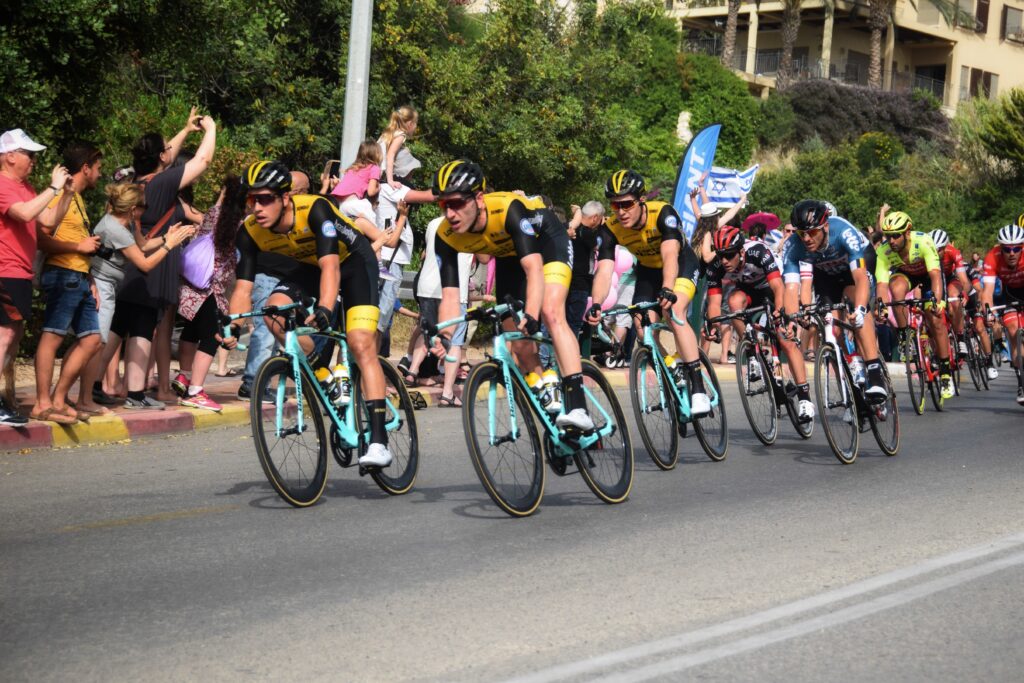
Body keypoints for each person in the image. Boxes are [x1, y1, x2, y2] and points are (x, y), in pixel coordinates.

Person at [224, 161, 394, 467]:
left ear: (285, 198)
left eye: (265, 199)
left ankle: (379, 440)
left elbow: (331, 266)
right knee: (273, 314)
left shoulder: (314, 210)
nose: (257, 207)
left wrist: (326, 309)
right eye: (252, 200)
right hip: (309, 268)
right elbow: (242, 290)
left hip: (353, 263)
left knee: (359, 343)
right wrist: (233, 325)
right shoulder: (250, 232)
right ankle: (323, 373)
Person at [430, 160, 594, 430]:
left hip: (547, 243)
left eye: (457, 203)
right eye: (443, 204)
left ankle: (578, 406)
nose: (450, 213)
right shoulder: (445, 235)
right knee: (517, 342)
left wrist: (531, 313)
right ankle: (550, 396)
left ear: (479, 199)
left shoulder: (508, 210)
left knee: (551, 313)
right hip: (509, 257)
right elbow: (450, 296)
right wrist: (445, 337)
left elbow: (534, 269)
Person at [587, 169, 711, 415]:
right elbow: (604, 270)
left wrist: (667, 288)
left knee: (674, 312)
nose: (620, 211)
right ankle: (671, 368)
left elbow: (670, 255)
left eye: (627, 204)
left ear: (641, 200)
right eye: (615, 205)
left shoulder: (662, 213)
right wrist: (597, 303)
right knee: (642, 326)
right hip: (648, 271)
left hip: (680, 265)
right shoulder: (611, 228)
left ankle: (698, 389)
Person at [115, 109, 216, 409]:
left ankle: (114, 387)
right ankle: (139, 391)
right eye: (166, 150)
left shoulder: (138, 181)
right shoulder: (162, 185)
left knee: (122, 328)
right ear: (161, 156)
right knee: (146, 326)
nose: (170, 152)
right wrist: (210, 129)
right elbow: (202, 161)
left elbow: (162, 157)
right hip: (155, 262)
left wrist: (185, 130)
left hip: (133, 260)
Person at [77, 184, 195, 413]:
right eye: (144, 207)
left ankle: (92, 391)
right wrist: (170, 245)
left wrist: (164, 238)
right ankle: (87, 395)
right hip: (102, 285)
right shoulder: (115, 229)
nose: (146, 210)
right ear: (133, 209)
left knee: (103, 339)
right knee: (97, 342)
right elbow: (144, 263)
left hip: (111, 285)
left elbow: (142, 245)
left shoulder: (125, 223)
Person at [0, 129, 75, 425]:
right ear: (9, 156)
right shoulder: (3, 185)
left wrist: (66, 194)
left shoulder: (26, 186)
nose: (33, 161)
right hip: (4, 269)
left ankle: (4, 398)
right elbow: (24, 214)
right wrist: (54, 188)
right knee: (5, 334)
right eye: (29, 155)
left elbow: (47, 220)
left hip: (19, 271)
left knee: (13, 335)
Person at [781, 199, 888, 403]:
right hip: (826, 273)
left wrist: (861, 307)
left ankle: (875, 373)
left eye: (812, 232)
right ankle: (851, 370)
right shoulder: (794, 246)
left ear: (826, 226)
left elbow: (860, 278)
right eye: (801, 233)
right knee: (832, 326)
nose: (806, 238)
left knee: (857, 307)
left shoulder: (843, 232)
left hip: (854, 267)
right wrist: (792, 322)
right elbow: (791, 288)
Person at [705, 226, 814, 421]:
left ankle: (805, 397)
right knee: (733, 302)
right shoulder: (716, 265)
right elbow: (714, 303)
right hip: (748, 291)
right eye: (721, 255)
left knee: (785, 340)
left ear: (740, 252)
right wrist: (713, 326)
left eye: (729, 256)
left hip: (772, 289)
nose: (724, 261)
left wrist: (779, 314)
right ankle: (751, 351)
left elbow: (777, 286)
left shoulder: (757, 251)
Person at [31, 142, 105, 423]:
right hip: (62, 274)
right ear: (85, 168)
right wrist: (78, 247)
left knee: (92, 340)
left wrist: (91, 279)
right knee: (53, 336)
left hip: (79, 277)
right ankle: (42, 403)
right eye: (97, 168)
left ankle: (59, 399)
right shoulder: (60, 194)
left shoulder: (78, 198)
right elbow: (42, 237)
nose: (100, 174)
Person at [171, 176, 247, 412]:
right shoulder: (243, 223)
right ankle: (195, 391)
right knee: (212, 337)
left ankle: (184, 377)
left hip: (192, 284)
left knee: (191, 331)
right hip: (211, 287)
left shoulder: (214, 212)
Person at [875, 209, 954, 400]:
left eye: (895, 236)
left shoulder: (924, 241)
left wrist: (937, 301)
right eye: (888, 236)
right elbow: (881, 285)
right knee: (896, 288)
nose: (891, 241)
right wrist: (882, 307)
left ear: (907, 233)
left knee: (935, 320)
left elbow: (936, 275)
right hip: (906, 275)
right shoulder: (884, 251)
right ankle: (904, 335)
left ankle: (945, 372)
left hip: (928, 276)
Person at [405, 215, 473, 406]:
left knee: (428, 332)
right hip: (453, 289)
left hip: (427, 286)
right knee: (455, 341)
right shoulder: (468, 222)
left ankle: (413, 370)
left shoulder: (433, 222)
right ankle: (448, 393)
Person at [980, 222, 1024, 404]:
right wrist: (988, 312)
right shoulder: (993, 257)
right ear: (1001, 248)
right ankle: (1021, 383)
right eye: (1007, 249)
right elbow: (987, 292)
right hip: (1009, 296)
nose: (1012, 253)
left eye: (1016, 248)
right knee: (1013, 330)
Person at [566, 201, 604, 339]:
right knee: (574, 324)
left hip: (564, 281)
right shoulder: (586, 232)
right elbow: (599, 246)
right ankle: (569, 358)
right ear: (595, 218)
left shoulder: (569, 228)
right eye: (600, 220)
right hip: (580, 284)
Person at [330, 140, 383, 233]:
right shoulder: (374, 168)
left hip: (336, 203)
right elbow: (371, 192)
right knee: (372, 224)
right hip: (351, 203)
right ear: (377, 154)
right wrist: (378, 188)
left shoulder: (353, 168)